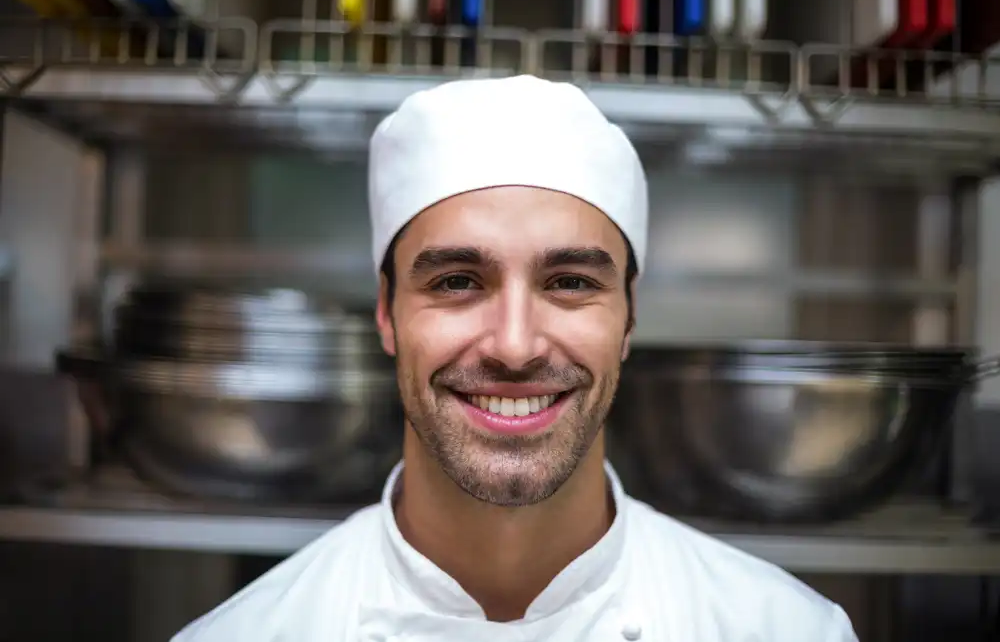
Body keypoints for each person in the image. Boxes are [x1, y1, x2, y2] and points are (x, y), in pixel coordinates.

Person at [172, 75, 859, 642]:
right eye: (457, 281)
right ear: (386, 310)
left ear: (630, 315)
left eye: (570, 282)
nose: (514, 344)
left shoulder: (786, 629)